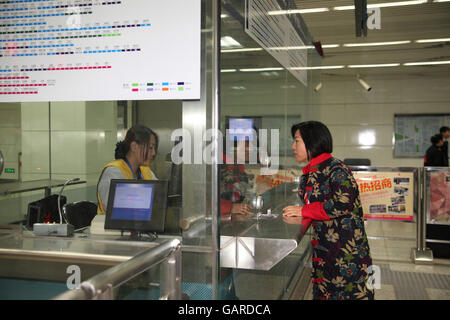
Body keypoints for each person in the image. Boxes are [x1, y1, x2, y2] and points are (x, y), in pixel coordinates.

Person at [282, 121, 374, 300]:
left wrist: (304, 211)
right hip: (325, 249)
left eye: (297, 141)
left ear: (312, 141)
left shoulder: (336, 168)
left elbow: (343, 203)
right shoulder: (311, 171)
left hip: (346, 252)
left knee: (349, 293)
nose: (293, 146)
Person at [97, 125, 159, 214]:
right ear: (134, 147)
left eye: (154, 148)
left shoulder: (146, 171)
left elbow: (159, 197)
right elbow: (116, 207)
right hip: (112, 227)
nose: (153, 153)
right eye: (150, 148)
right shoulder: (113, 172)